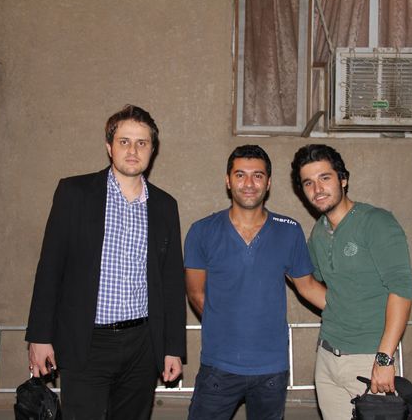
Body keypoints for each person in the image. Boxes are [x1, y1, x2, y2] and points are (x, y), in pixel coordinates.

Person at [25, 104, 186, 420]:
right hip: (86, 340)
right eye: (124, 141)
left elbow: (171, 283)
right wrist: (40, 336)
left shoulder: (165, 206)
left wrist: (173, 348)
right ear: (109, 146)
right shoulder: (74, 193)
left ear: (152, 150)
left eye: (142, 143)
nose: (133, 150)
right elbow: (50, 268)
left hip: (142, 345)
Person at [185, 145, 326, 420]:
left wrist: (351, 311)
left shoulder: (289, 230)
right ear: (228, 181)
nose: (249, 184)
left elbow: (308, 286)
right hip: (218, 366)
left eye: (257, 176)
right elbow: (195, 293)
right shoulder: (202, 231)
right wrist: (229, 328)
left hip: (271, 369)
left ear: (268, 182)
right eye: (240, 175)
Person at [291, 144, 412, 420]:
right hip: (327, 357)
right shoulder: (320, 231)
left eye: (325, 178)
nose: (317, 189)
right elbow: (316, 287)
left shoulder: (376, 222)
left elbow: (401, 289)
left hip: (368, 358)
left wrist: (384, 359)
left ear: (343, 179)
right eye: (308, 183)